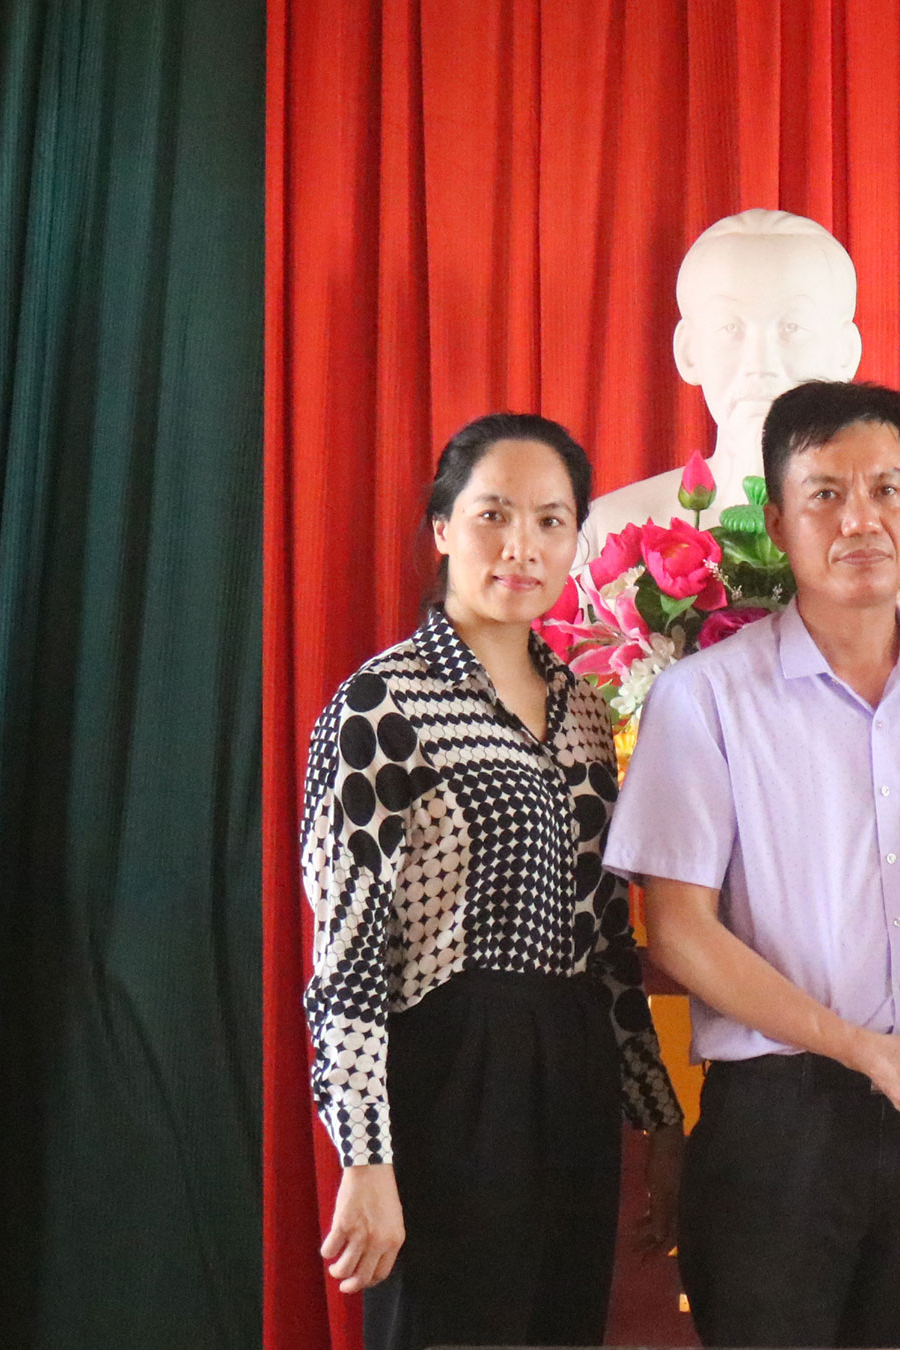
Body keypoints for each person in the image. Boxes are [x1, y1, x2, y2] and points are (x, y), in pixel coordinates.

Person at [604, 379, 900, 1347]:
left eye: (887, 490)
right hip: (781, 1125)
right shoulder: (705, 699)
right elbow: (678, 932)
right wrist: (856, 1048)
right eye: (825, 494)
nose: (861, 519)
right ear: (777, 522)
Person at [299, 413, 685, 1350]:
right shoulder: (382, 706)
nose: (523, 546)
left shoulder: (585, 712)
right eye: (494, 515)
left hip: (574, 1063)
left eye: (552, 521)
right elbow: (347, 954)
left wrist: (657, 1115)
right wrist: (366, 1158)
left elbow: (606, 935)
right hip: (451, 1067)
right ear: (442, 528)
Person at [581, 209, 900, 635]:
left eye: (792, 328)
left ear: (846, 353)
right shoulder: (612, 529)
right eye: (730, 328)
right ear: (688, 350)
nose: (759, 363)